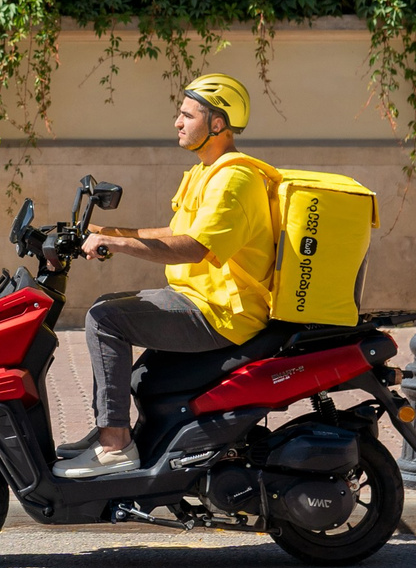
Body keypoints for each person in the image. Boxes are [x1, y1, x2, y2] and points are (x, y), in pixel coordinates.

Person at [55, 72, 274, 478]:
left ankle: (114, 445)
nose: (177, 122)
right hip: (198, 302)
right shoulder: (206, 172)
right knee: (134, 359)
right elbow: (175, 232)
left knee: (106, 318)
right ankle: (115, 432)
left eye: (188, 115)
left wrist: (117, 244)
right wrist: (108, 232)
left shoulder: (234, 179)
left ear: (217, 124)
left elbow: (194, 248)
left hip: (220, 314)